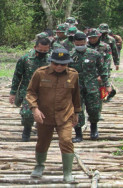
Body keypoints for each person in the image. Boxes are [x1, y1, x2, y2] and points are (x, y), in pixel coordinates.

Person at [26, 48, 81, 182]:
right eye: (56, 63)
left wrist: (77, 112)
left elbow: (76, 95)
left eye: (63, 64)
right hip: (45, 115)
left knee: (66, 141)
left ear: (68, 63)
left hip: (65, 115)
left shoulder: (73, 75)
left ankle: (67, 172)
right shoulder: (40, 73)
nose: (59, 67)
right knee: (42, 142)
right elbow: (31, 92)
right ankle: (39, 165)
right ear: (51, 62)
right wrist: (34, 109)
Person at [69, 32, 110, 143]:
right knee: (76, 110)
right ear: (74, 43)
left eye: (82, 43)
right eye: (78, 44)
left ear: (86, 42)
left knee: (94, 108)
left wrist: (107, 84)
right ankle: (78, 133)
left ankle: (94, 129)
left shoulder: (95, 54)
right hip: (76, 87)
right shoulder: (70, 55)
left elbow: (103, 70)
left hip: (92, 86)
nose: (80, 46)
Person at [9, 38, 51, 142]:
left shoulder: (51, 60)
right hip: (28, 91)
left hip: (46, 91)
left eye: (45, 51)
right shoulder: (25, 59)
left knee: (46, 113)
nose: (43, 53)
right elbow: (17, 76)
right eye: (40, 50)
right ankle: (26, 130)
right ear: (35, 47)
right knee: (27, 114)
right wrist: (13, 92)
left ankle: (42, 130)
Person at [87, 28, 116, 103]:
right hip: (88, 73)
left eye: (94, 37)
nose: (92, 40)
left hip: (101, 73)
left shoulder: (105, 46)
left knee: (101, 93)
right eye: (90, 38)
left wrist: (103, 75)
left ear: (98, 37)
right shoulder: (85, 47)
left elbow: (107, 61)